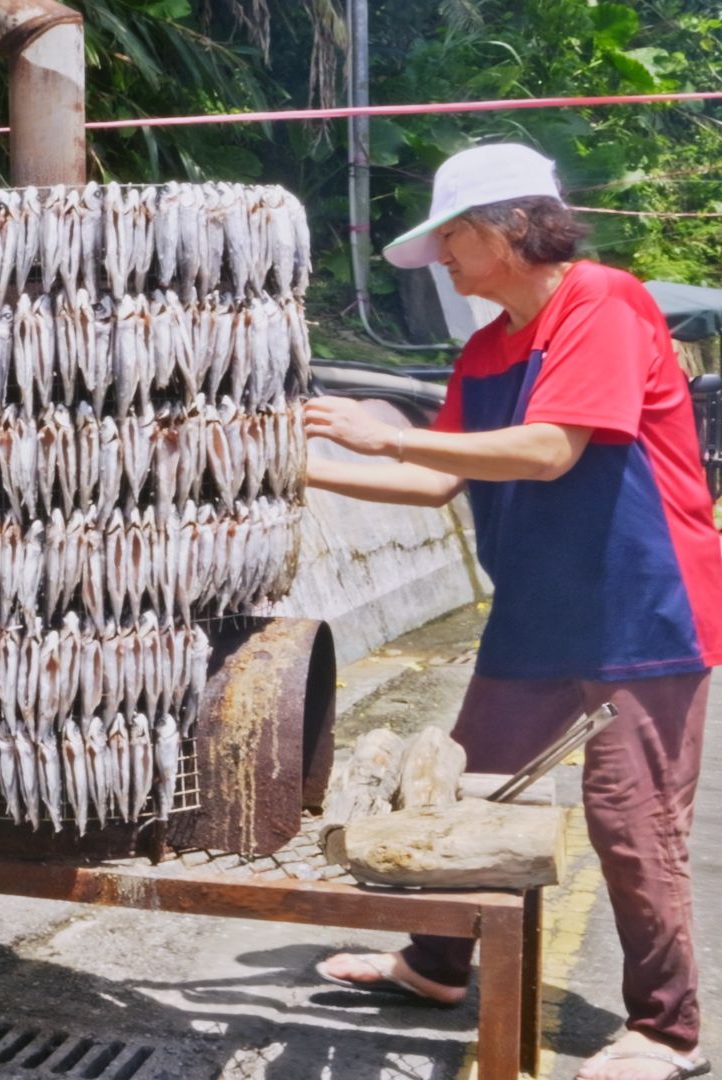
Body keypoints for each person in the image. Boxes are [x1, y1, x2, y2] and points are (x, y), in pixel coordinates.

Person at [304, 143, 721, 1080]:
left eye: (449, 238)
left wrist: (385, 437)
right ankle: (437, 963)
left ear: (505, 227)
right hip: (536, 606)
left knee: (632, 818)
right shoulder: (488, 347)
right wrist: (296, 469)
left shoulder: (604, 301)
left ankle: (666, 1030)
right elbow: (442, 475)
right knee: (465, 786)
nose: (442, 259)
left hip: (640, 611)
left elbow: (547, 451)